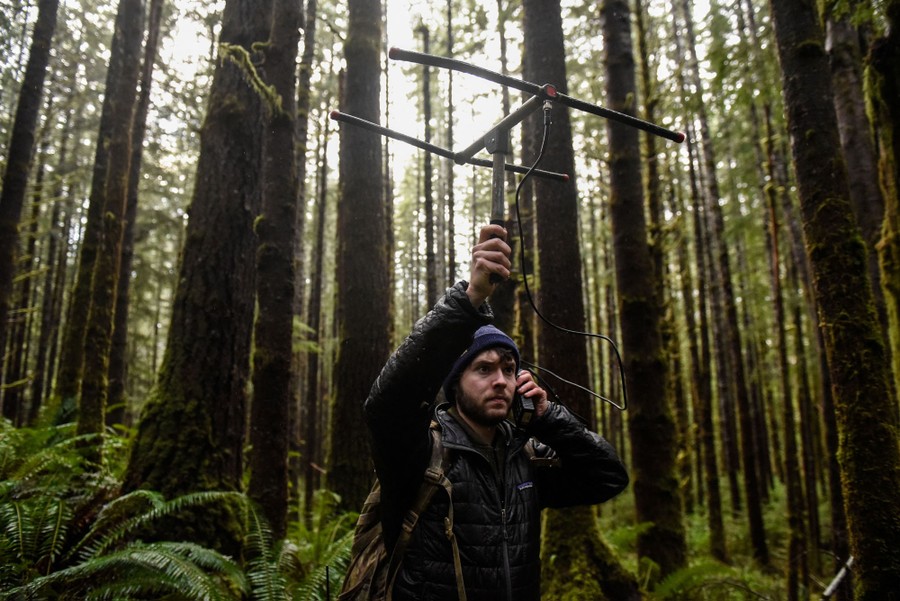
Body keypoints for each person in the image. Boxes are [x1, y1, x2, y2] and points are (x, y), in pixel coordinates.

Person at [363, 223, 629, 601]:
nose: (501, 380)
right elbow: (385, 406)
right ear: (455, 384)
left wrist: (547, 417)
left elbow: (608, 477)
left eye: (508, 368)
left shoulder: (526, 458)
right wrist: (471, 297)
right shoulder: (421, 453)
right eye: (483, 369)